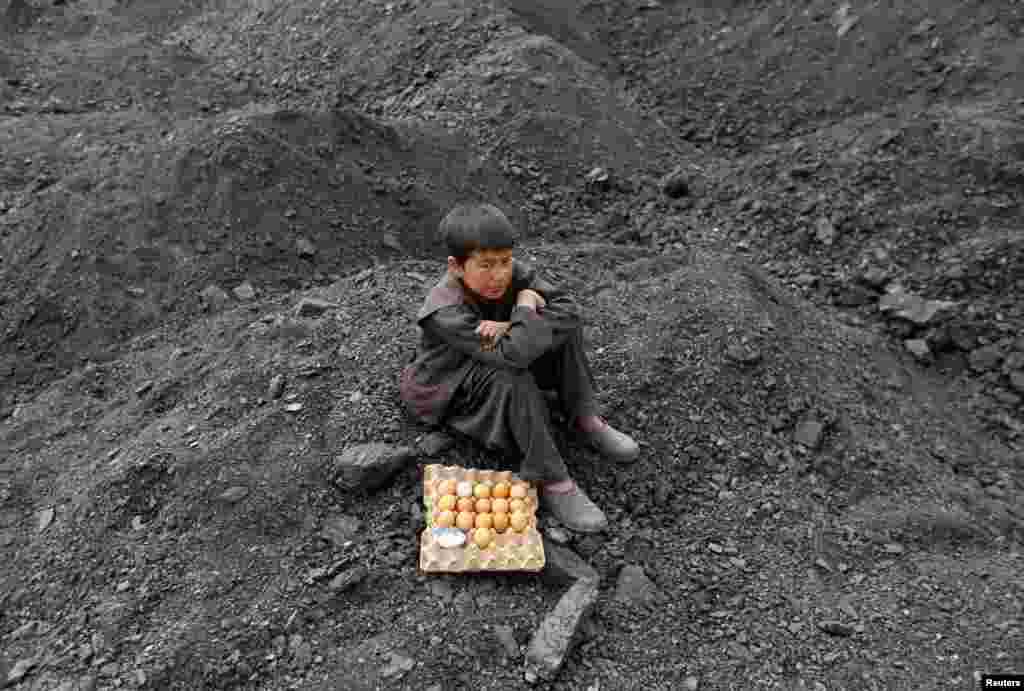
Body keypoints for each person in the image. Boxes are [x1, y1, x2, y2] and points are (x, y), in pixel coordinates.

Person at [398, 203, 639, 532]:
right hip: (450, 389)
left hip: (499, 355)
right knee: (512, 374)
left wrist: (509, 325)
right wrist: (524, 309)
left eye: (504, 262)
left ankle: (585, 417)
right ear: (456, 266)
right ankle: (552, 479)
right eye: (485, 265)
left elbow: (569, 311)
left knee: (562, 334)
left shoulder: (512, 273)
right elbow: (513, 356)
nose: (499, 274)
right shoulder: (445, 310)